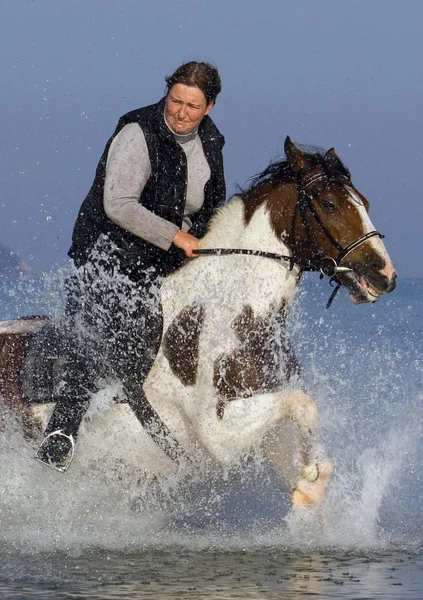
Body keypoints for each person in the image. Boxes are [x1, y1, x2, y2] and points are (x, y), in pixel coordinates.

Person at [36, 61, 226, 470]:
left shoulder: (211, 141)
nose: (180, 112)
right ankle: (62, 430)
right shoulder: (138, 132)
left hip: (162, 257)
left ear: (209, 107)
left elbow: (211, 208)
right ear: (167, 95)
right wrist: (177, 236)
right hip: (108, 250)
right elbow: (118, 205)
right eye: (175, 101)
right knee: (120, 323)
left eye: (192, 106)